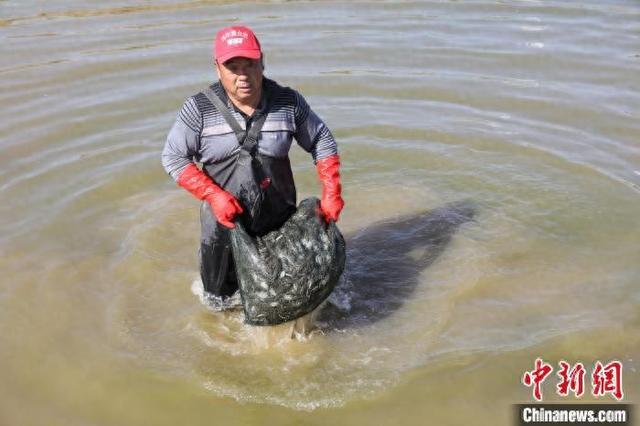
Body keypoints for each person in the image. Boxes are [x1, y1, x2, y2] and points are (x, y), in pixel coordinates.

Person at [162, 25, 344, 302]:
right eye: (233, 67)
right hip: (224, 226)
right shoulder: (198, 109)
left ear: (262, 61)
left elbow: (322, 140)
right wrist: (214, 195)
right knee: (220, 305)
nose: (243, 75)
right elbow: (173, 157)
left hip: (279, 222)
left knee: (289, 295)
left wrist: (332, 192)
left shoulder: (287, 102)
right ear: (218, 69)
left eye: (250, 64)